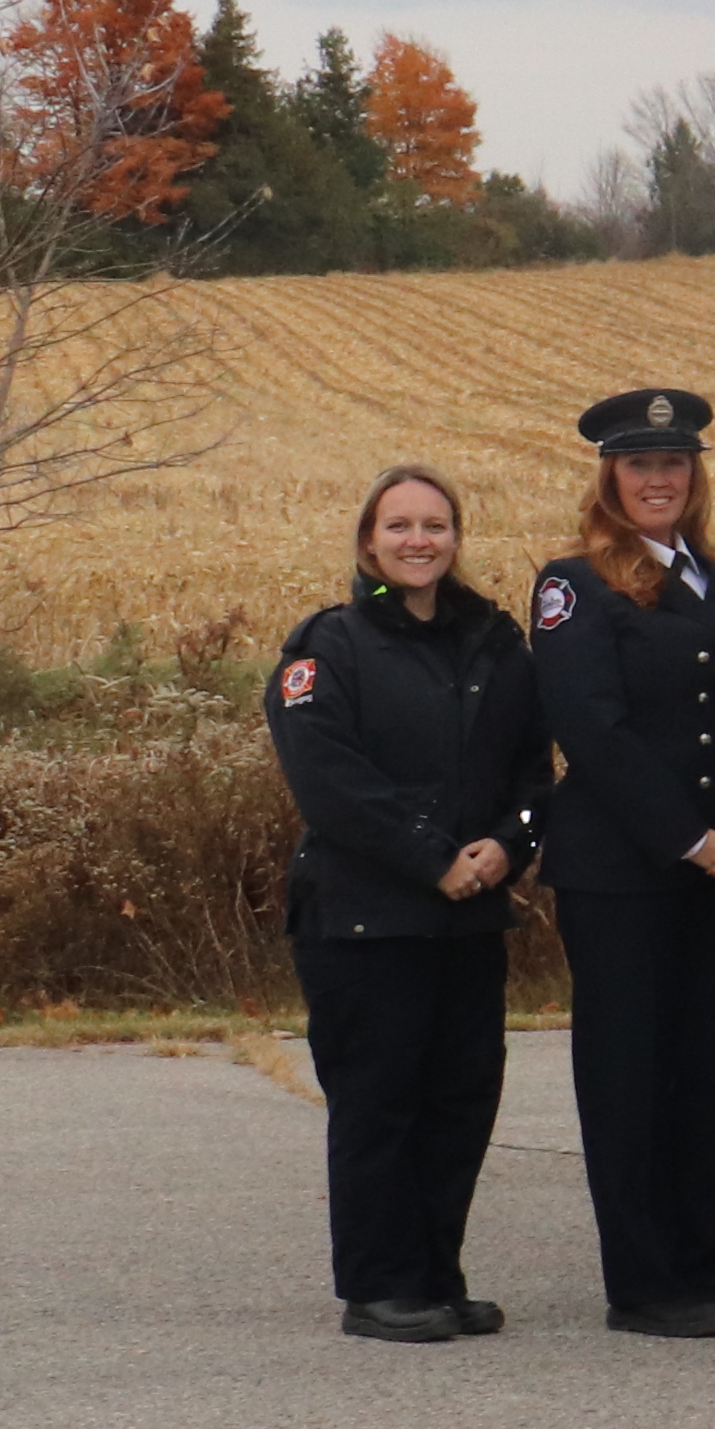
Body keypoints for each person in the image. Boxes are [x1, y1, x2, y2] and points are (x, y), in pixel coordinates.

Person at [529, 385, 715, 1338]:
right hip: (627, 872)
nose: (658, 479)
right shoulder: (574, 582)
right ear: (610, 477)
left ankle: (701, 1268)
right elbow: (590, 729)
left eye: (673, 464)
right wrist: (689, 836)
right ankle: (644, 1284)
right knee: (633, 1073)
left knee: (711, 1070)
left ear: (695, 474)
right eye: (640, 465)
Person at [267, 465, 542, 1341]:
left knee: (460, 1102)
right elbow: (332, 784)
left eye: (436, 525)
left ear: (457, 539)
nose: (419, 541)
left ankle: (436, 1274)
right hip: (364, 920)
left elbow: (534, 769)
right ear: (368, 541)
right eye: (400, 526)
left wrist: (510, 842)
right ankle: (380, 1285)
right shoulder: (327, 648)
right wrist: (433, 861)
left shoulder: (496, 644)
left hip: (468, 917)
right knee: (379, 1103)